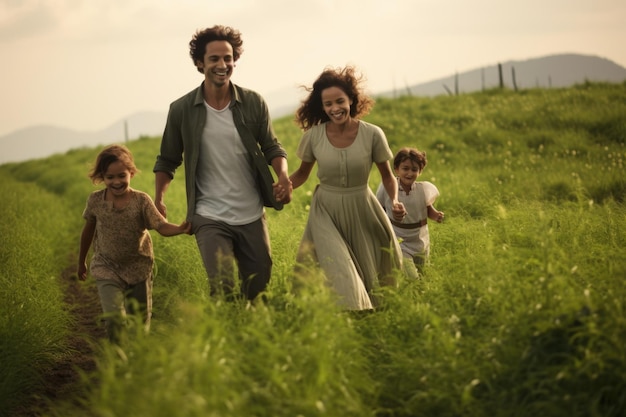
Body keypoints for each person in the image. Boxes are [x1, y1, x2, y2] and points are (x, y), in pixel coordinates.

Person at [153, 25, 292, 302]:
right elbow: (168, 159)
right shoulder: (181, 109)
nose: (222, 64)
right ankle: (224, 339)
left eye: (228, 58)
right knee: (223, 285)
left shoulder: (253, 102)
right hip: (208, 215)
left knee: (258, 285)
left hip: (250, 212)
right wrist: (159, 199)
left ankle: (247, 337)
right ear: (199, 63)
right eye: (214, 58)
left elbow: (272, 147)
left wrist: (283, 176)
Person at [288, 66, 405, 311]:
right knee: (338, 264)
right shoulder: (314, 136)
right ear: (322, 107)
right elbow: (301, 174)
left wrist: (393, 201)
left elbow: (388, 176)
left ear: (352, 100)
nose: (334, 108)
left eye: (340, 101)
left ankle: (367, 318)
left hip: (362, 206)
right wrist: (281, 187)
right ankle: (349, 313)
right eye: (328, 104)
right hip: (325, 211)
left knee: (371, 270)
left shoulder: (373, 134)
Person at [77, 144, 190, 343]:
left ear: (131, 173)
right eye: (110, 177)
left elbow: (161, 226)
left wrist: (180, 229)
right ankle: (119, 357)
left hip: (138, 266)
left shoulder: (141, 201)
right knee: (114, 318)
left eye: (122, 175)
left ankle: (137, 360)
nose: (116, 181)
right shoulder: (95, 201)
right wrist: (82, 261)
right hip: (106, 266)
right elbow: (88, 231)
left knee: (140, 323)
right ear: (102, 176)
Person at [376, 147, 444, 279]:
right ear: (396, 169)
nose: (410, 173)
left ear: (420, 171)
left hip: (420, 237)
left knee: (423, 272)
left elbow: (427, 208)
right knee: (411, 276)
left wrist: (436, 215)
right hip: (400, 239)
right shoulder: (388, 187)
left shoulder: (423, 189)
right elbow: (380, 208)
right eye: (405, 168)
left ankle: (420, 296)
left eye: (414, 170)